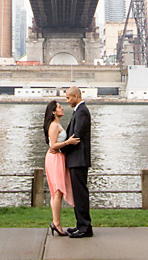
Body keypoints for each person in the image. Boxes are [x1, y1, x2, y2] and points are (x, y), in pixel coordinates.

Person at [43, 99, 80, 236]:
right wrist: (68, 142)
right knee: (57, 191)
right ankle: (56, 223)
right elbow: (52, 145)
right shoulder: (54, 126)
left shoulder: (57, 125)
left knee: (57, 192)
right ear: (54, 112)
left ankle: (56, 222)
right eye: (59, 107)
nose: (62, 108)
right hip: (55, 158)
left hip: (58, 157)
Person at [61, 85, 93, 238]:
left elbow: (76, 136)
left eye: (68, 98)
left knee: (80, 193)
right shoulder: (79, 112)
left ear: (76, 96)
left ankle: (85, 227)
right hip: (76, 159)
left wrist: (61, 148)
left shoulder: (82, 112)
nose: (67, 101)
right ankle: (80, 224)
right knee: (77, 193)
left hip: (79, 160)